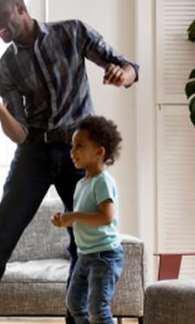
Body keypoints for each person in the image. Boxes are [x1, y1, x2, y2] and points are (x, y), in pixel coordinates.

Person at [0, 0, 139, 324]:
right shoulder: (7, 67)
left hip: (78, 153)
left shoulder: (71, 32)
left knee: (81, 244)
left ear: (21, 8)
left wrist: (122, 75)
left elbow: (127, 67)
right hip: (34, 154)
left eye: (2, 18)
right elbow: (20, 134)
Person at [51, 115, 124, 324]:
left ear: (99, 152)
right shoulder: (82, 183)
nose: (72, 152)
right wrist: (65, 220)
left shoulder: (102, 181)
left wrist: (73, 216)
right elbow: (85, 217)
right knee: (74, 304)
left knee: (98, 310)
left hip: (104, 256)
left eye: (79, 146)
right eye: (72, 146)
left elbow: (106, 217)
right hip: (85, 255)